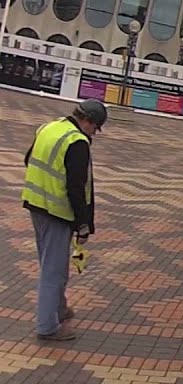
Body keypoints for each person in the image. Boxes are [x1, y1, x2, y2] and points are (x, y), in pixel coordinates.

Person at [21, 99, 107, 342]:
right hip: (57, 212)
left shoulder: (50, 127)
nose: (94, 133)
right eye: (95, 128)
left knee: (50, 264)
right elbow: (76, 188)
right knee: (54, 271)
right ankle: (47, 326)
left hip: (35, 205)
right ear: (87, 121)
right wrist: (83, 224)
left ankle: (59, 308)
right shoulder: (77, 142)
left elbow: (29, 160)